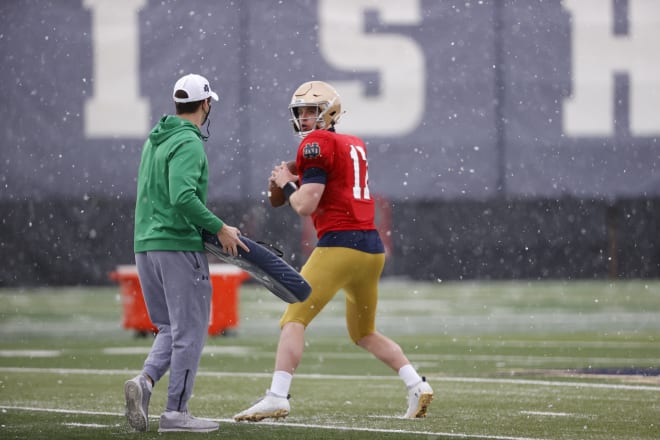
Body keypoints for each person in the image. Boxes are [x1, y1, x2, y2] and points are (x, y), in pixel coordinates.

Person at [234, 80, 433, 422]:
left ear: (329, 112)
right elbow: (290, 194)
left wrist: (286, 181)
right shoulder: (351, 143)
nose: (305, 118)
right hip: (371, 250)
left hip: (341, 245)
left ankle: (277, 396)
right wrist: (286, 180)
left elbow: (304, 205)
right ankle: (417, 384)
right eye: (301, 112)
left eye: (312, 111)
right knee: (363, 332)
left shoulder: (316, 143)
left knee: (293, 319)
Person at [124, 73, 249, 433]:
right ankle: (176, 413)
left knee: (168, 327)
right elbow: (182, 197)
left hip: (145, 245)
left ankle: (145, 382)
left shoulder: (155, 140)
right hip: (177, 245)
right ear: (206, 103)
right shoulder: (189, 142)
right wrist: (220, 228)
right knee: (190, 331)